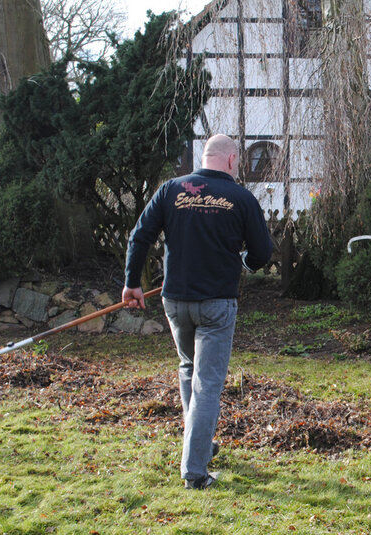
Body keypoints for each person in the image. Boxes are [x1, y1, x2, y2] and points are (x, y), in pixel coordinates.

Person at [122, 134, 273, 489]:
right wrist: (245, 262)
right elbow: (263, 254)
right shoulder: (241, 198)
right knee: (206, 385)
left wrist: (132, 282)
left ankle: (200, 444)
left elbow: (140, 236)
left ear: (203, 158)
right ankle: (194, 472)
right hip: (217, 304)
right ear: (233, 160)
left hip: (175, 301)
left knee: (189, 370)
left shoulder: (170, 189)